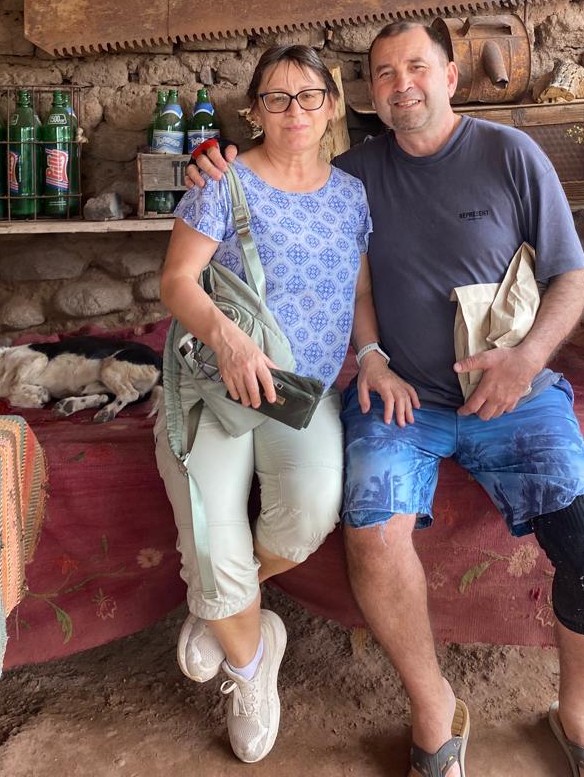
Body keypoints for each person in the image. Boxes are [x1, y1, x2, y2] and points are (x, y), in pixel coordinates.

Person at [187, 22, 584, 777]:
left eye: (417, 67)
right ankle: (433, 708)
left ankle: (579, 714)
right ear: (365, 95)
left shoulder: (510, 155)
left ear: (451, 75)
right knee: (372, 528)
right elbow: (287, 183)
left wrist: (526, 361)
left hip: (514, 394)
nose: (402, 85)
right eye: (385, 74)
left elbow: (572, 277)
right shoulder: (353, 175)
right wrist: (212, 166)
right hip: (399, 403)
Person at [155, 43, 417, 766]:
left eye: (309, 97)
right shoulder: (223, 181)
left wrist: (369, 354)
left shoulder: (350, 195)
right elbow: (177, 282)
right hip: (215, 381)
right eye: (276, 98)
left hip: (300, 395)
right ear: (254, 111)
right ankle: (250, 665)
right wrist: (230, 340)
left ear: (332, 105)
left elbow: (360, 293)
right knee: (211, 536)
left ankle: (222, 607)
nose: (294, 111)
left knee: (303, 521)